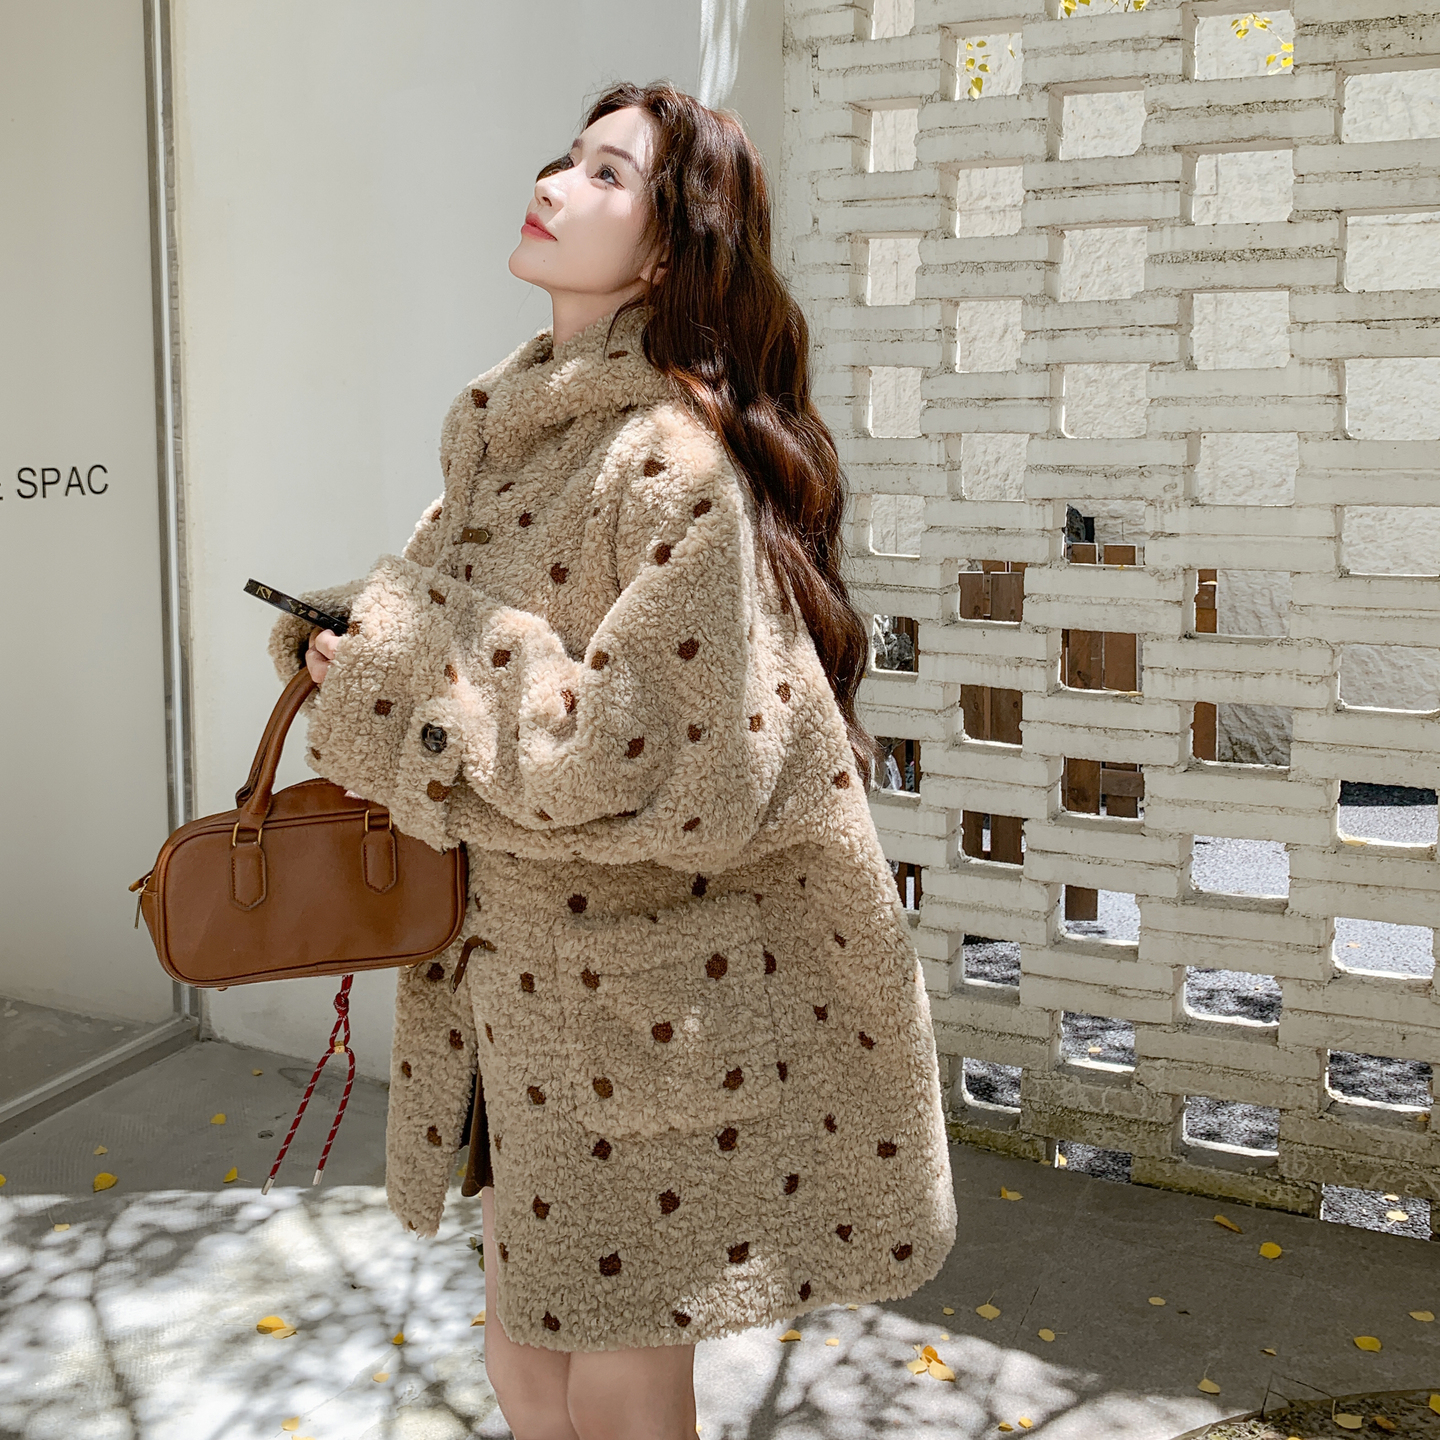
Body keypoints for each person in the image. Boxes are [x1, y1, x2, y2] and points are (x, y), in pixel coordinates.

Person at [269, 80, 955, 1440]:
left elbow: (651, 756)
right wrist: (345, 639)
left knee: (620, 1392)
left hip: (641, 1015)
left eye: (605, 173)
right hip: (512, 994)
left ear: (664, 252)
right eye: (563, 158)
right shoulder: (510, 425)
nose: (554, 182)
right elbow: (443, 628)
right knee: (525, 1367)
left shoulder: (669, 462)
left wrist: (408, 655)